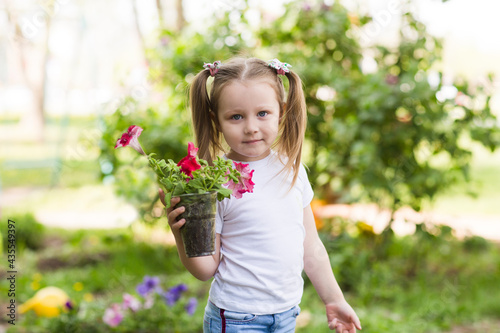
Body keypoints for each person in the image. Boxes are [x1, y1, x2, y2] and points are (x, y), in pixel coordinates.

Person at [159, 57, 361, 333]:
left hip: (286, 315)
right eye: (236, 116)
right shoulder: (213, 183)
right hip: (236, 319)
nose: (251, 127)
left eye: (263, 113)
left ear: (282, 112)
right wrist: (180, 232)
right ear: (215, 120)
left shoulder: (292, 170)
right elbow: (204, 269)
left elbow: (311, 247)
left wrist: (334, 299)